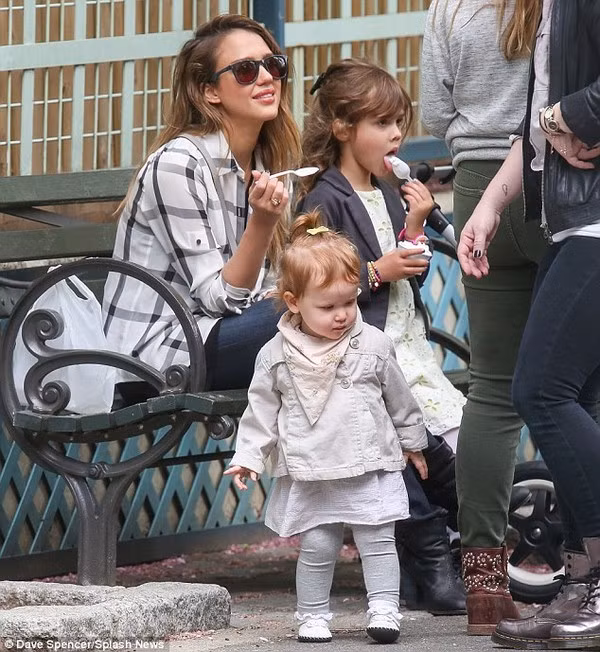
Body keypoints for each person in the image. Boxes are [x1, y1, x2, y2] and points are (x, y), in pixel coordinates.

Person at [296, 57, 468, 615]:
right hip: (356, 352)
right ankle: (431, 562)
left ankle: (442, 557)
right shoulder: (324, 198)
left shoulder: (387, 191)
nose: (396, 135)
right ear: (343, 128)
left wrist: (414, 225)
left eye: (399, 123)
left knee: (453, 448)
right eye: (382, 123)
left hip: (405, 346)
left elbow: (405, 266)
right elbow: (317, 279)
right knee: (397, 447)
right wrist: (375, 272)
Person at [455, 0, 600, 648]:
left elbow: (555, 115)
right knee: (573, 398)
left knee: (537, 390)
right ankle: (582, 579)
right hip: (568, 221)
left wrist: (563, 116)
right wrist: (490, 205)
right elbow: (538, 122)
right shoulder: (548, 10)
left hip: (593, 223)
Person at [224, 211, 428, 644]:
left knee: (378, 541)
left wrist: (412, 442)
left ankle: (384, 608)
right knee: (318, 546)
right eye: (328, 307)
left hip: (370, 462)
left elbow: (400, 398)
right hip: (313, 467)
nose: (341, 315)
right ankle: (313, 615)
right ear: (294, 302)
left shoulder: (373, 344)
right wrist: (248, 457)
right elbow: (260, 412)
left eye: (349, 302)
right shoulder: (276, 354)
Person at [420, 0, 548, 634]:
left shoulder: (450, 6)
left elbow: (434, 112)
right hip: (557, 180)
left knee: (492, 389)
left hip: (475, 187)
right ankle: (589, 568)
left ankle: (484, 589)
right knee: (584, 386)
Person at [103, 14, 301, 393]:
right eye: (245, 70)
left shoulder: (265, 164)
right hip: (151, 356)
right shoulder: (178, 164)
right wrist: (262, 224)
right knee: (305, 317)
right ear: (209, 91)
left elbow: (266, 288)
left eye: (273, 65)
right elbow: (218, 299)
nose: (266, 78)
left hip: (222, 333)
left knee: (326, 309)